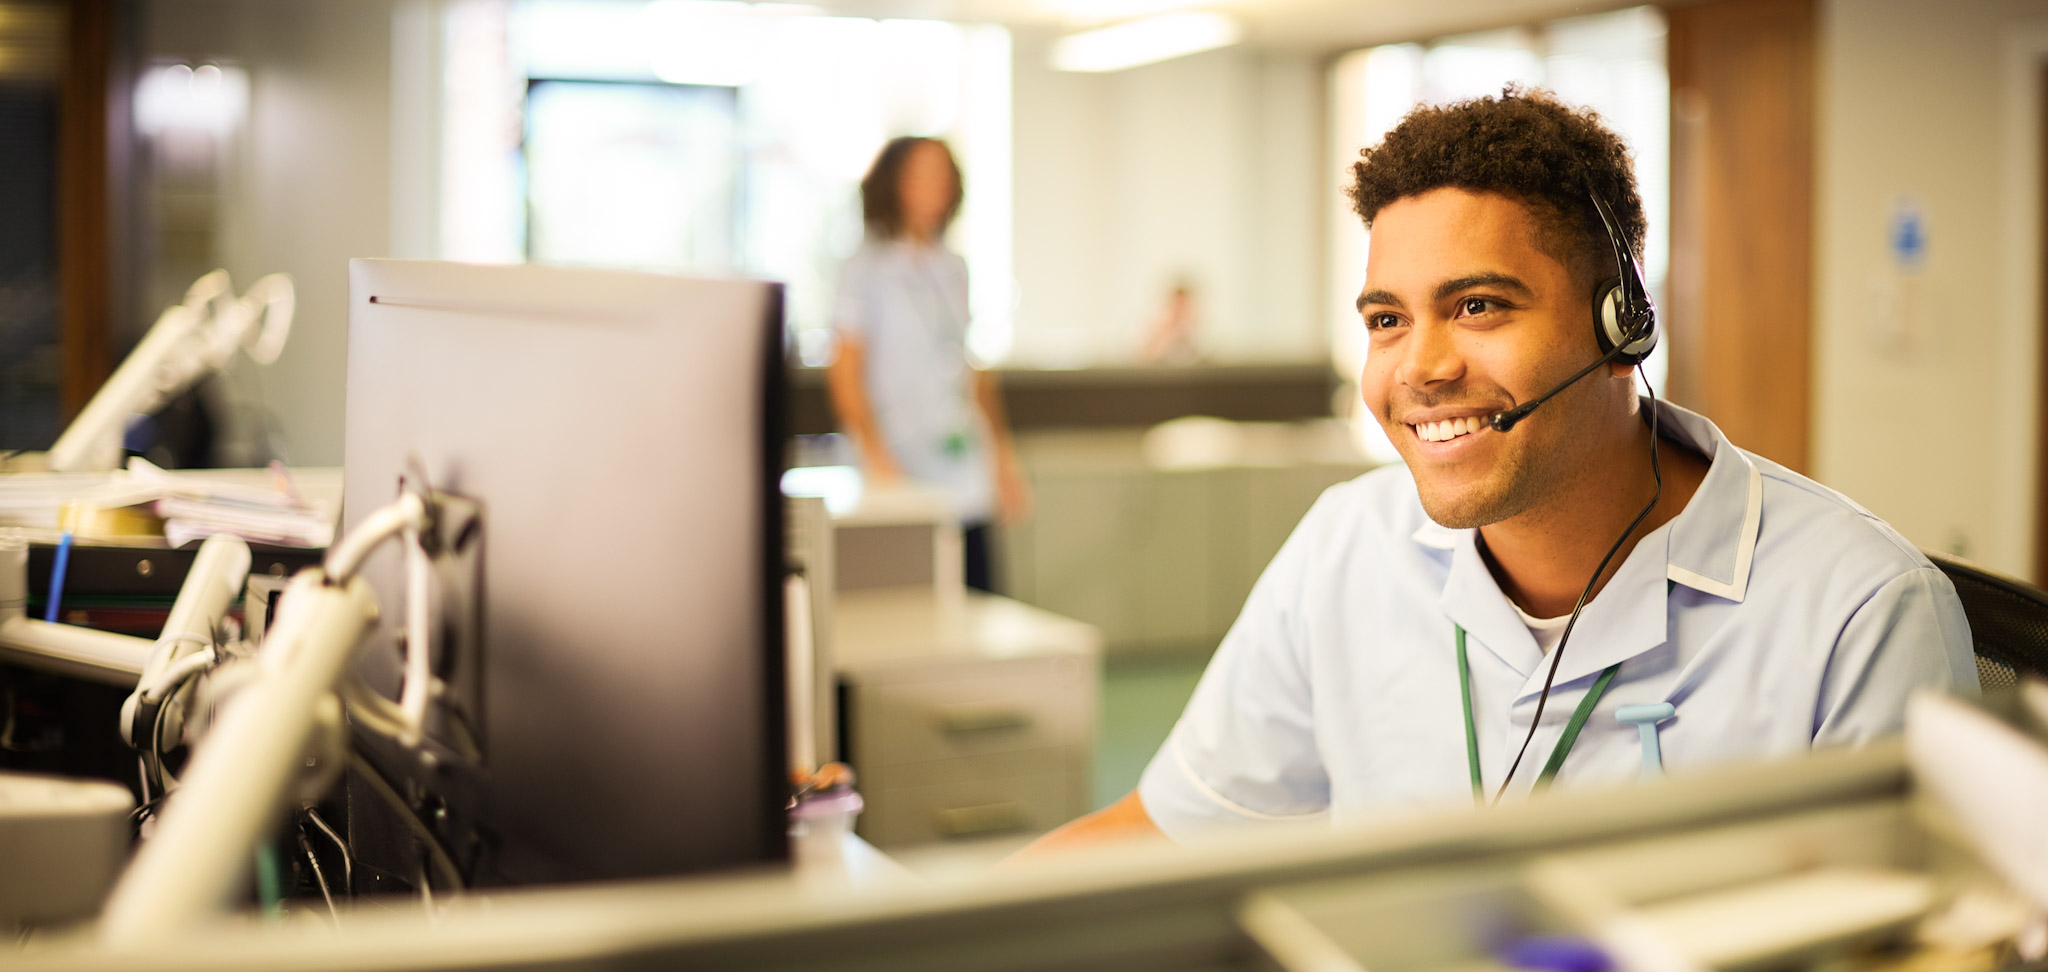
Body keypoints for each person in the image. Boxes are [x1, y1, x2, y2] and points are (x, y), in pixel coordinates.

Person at [1024, 88, 1977, 852]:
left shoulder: (1860, 611)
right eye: (1387, 319)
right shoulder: (1347, 544)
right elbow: (1163, 830)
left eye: (1478, 306)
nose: (1422, 369)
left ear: (1622, 328)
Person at [826, 136, 1030, 591]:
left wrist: (1002, 458)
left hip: (959, 458)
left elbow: (969, 368)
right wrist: (879, 459)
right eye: (919, 175)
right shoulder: (865, 268)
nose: (932, 186)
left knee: (979, 593)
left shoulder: (953, 267)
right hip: (895, 460)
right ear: (892, 183)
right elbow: (844, 370)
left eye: (941, 175)